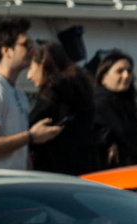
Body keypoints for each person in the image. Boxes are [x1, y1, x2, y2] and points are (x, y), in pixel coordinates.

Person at [0, 22, 58, 169]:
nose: (31, 49)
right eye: (25, 44)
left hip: (13, 180)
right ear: (6, 51)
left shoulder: (18, 93)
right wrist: (31, 136)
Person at [25, 40, 105, 174]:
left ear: (42, 64)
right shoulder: (80, 89)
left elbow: (30, 127)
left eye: (30, 68)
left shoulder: (52, 94)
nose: (29, 76)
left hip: (55, 171)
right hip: (84, 167)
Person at [88, 50, 137, 168]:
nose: (126, 76)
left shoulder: (125, 104)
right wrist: (108, 143)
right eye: (119, 71)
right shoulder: (98, 105)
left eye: (129, 71)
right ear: (104, 78)